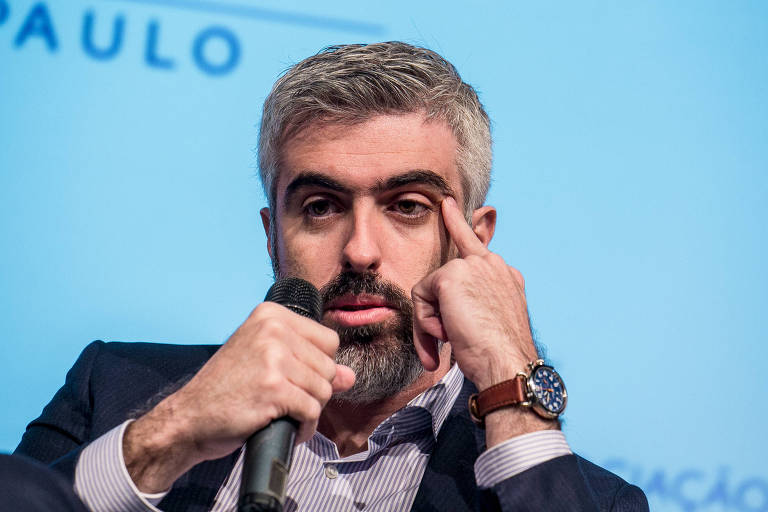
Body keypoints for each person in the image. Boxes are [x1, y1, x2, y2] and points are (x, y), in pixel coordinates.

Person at [15, 42, 648, 511]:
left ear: (473, 243)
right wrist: (174, 432)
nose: (361, 250)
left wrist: (512, 379)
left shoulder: (592, 496)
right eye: (320, 207)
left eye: (408, 207)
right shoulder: (114, 388)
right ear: (272, 235)